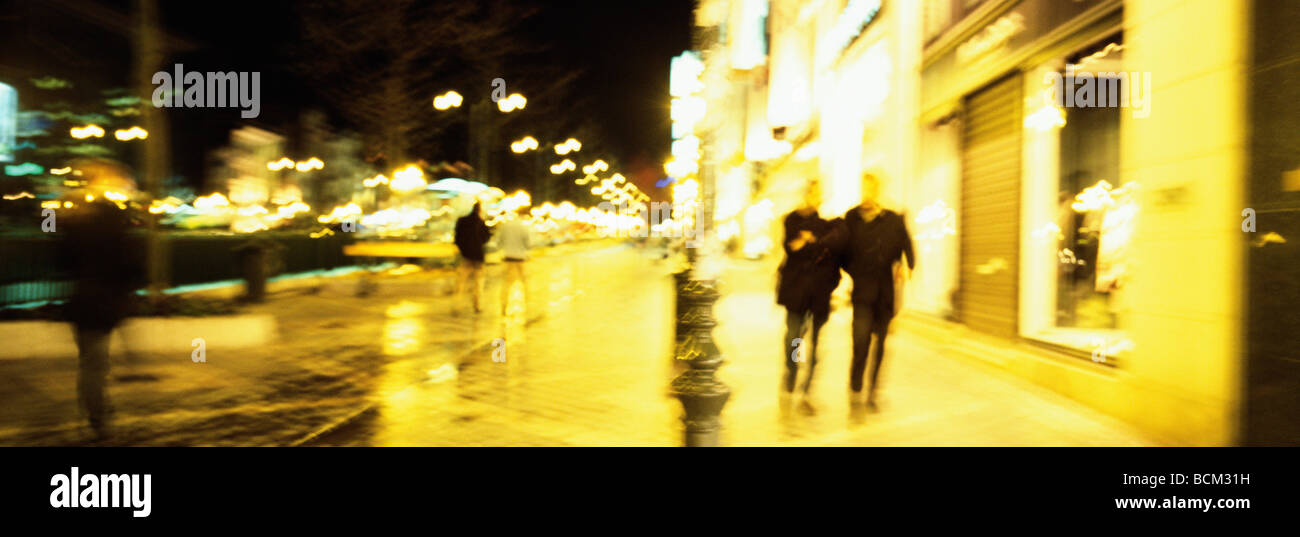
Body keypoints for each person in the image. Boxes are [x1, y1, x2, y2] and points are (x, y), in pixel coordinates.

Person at [55, 159, 144, 439]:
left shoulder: (72, 218)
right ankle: (98, 418)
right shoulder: (111, 217)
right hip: (104, 300)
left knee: (90, 361)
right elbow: (127, 261)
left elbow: (62, 260)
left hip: (82, 299)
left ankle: (96, 410)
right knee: (96, 363)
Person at [840, 172, 914, 410]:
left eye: (871, 189)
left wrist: (906, 265)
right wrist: (854, 271)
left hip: (884, 295)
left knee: (880, 345)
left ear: (877, 190)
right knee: (859, 341)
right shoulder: (851, 218)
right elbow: (841, 252)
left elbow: (907, 245)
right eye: (864, 188)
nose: (867, 194)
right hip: (861, 293)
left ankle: (872, 390)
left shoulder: (891, 219)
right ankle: (854, 384)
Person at [775, 179, 844, 413]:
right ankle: (791, 367)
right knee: (793, 337)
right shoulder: (791, 220)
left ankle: (807, 390)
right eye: (810, 192)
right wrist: (808, 242)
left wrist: (810, 241)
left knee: (815, 344)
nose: (814, 197)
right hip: (795, 291)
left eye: (817, 193)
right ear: (804, 194)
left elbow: (826, 249)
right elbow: (790, 247)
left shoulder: (825, 225)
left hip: (819, 293)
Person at [453, 201, 490, 313]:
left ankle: (456, 305)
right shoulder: (481, 222)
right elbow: (486, 238)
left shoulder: (462, 221)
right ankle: (477, 305)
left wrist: (463, 249)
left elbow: (457, 238)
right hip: (478, 257)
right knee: (478, 283)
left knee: (460, 282)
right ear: (479, 210)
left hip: (465, 256)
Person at [495, 208, 530, 316]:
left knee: (506, 284)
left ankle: (503, 306)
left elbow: (499, 242)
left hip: (508, 258)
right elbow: (528, 244)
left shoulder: (505, 226)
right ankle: (527, 305)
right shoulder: (523, 227)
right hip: (520, 259)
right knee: (524, 283)